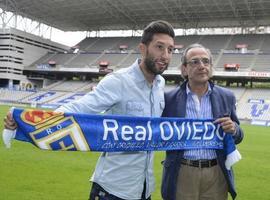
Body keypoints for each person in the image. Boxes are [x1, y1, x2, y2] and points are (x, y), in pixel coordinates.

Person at [4, 20, 175, 200]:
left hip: (145, 190)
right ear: (143, 48)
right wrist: (29, 121)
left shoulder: (160, 84)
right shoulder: (118, 81)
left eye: (170, 50)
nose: (165, 55)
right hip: (113, 190)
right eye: (159, 47)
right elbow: (79, 108)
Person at [161, 43, 244, 200]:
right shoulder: (169, 99)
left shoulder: (226, 96)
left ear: (211, 67)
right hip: (182, 171)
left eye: (206, 61)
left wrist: (234, 129)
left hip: (216, 172)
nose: (202, 66)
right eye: (195, 62)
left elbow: (239, 135)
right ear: (184, 69)